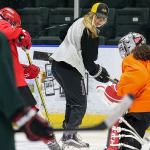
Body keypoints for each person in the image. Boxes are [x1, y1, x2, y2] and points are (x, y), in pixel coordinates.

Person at [50, 2, 110, 148]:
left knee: (72, 102)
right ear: (92, 14)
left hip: (57, 64)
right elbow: (89, 62)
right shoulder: (91, 31)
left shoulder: (78, 21)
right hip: (69, 67)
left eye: (103, 18)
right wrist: (100, 73)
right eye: (99, 17)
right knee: (79, 104)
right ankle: (69, 136)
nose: (100, 21)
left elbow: (62, 34)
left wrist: (71, 46)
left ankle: (69, 135)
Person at [0, 7, 61, 150]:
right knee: (29, 112)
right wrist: (20, 33)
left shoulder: (6, 40)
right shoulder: (3, 25)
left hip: (12, 81)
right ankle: (50, 140)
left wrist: (25, 70)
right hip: (12, 84)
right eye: (14, 25)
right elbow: (4, 31)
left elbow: (6, 63)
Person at [97, 32, 150, 150]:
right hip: (146, 109)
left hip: (140, 109)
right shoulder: (146, 59)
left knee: (128, 144)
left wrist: (117, 89)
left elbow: (138, 79)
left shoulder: (132, 59)